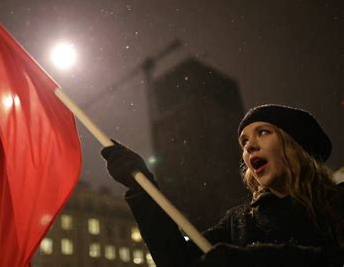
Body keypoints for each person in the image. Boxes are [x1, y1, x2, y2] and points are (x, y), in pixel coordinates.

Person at [101, 104, 344, 266]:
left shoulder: (336, 202)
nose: (249, 146)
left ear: (296, 145)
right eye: (244, 141)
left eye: (263, 132)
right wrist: (142, 188)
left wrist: (250, 260)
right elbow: (177, 261)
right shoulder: (239, 220)